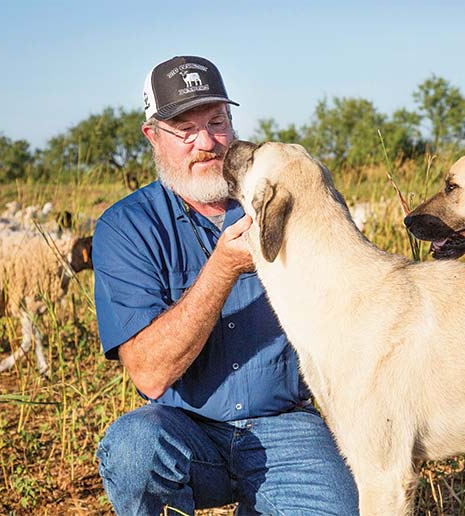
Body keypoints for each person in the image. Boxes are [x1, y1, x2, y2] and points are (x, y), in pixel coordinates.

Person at [93, 56, 358, 515]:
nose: (206, 143)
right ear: (153, 136)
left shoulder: (284, 202)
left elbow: (354, 308)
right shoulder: (126, 226)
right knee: (133, 448)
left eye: (217, 121)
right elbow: (149, 373)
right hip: (184, 429)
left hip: (287, 426)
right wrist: (221, 269)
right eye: (184, 129)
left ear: (233, 122)